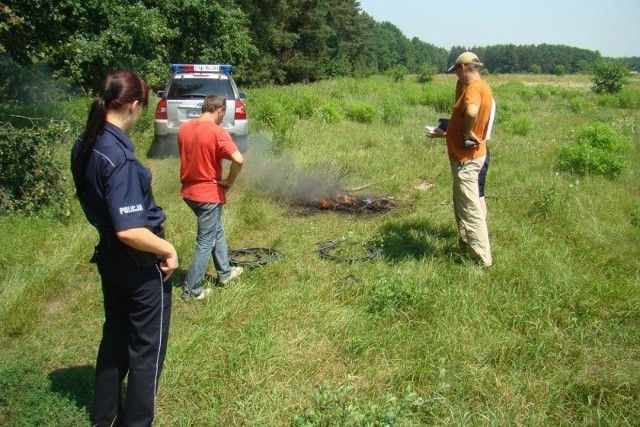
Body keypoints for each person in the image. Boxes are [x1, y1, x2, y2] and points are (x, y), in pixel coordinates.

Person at [71, 70, 179, 426]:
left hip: (111, 262)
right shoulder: (119, 159)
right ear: (134, 106)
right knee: (146, 354)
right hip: (138, 267)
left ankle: (105, 419)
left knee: (115, 340)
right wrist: (167, 248)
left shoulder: (86, 143)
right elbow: (130, 229)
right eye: (143, 108)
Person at [427, 52, 493, 266]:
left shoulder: (474, 89)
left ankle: (481, 261)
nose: (455, 74)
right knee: (463, 207)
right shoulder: (481, 86)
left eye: (456, 70)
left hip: (467, 161)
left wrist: (465, 134)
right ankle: (465, 246)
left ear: (463, 67)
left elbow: (472, 112)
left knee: (472, 212)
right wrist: (450, 132)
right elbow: (466, 116)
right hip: (466, 158)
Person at [178, 94, 244, 300]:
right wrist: (229, 181)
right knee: (205, 241)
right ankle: (191, 290)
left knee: (216, 230)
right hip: (208, 195)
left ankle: (225, 273)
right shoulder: (218, 132)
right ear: (220, 110)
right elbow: (238, 159)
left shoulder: (184, 128)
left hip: (189, 192)